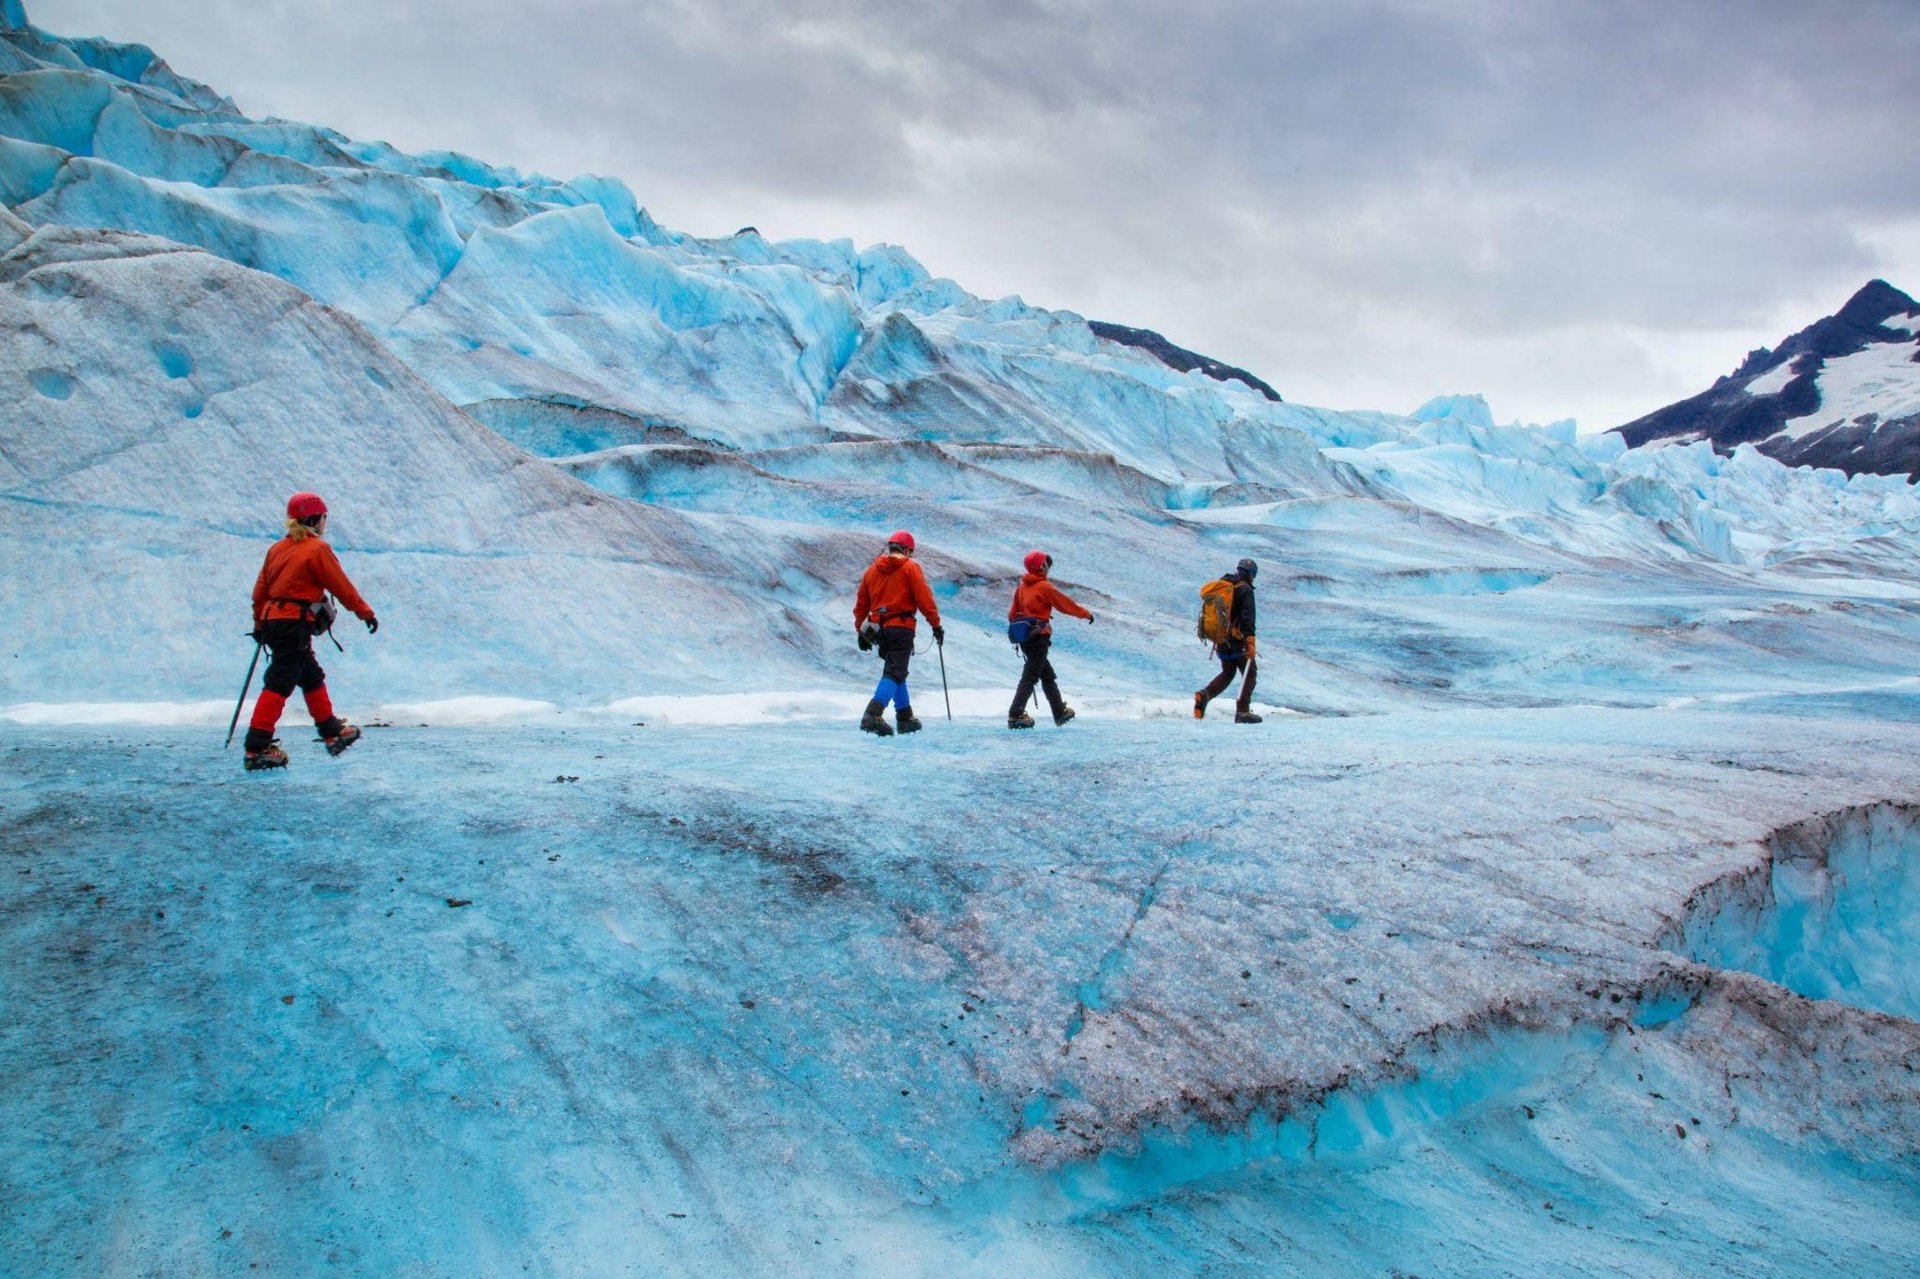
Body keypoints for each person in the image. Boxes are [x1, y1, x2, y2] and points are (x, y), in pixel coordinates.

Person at [241, 491, 379, 771]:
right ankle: (256, 749)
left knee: (310, 675)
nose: (325, 522)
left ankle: (332, 733)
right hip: (294, 623)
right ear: (315, 518)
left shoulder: (277, 549)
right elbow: (341, 586)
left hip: (274, 621)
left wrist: (259, 625)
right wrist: (365, 612)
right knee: (280, 680)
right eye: (324, 517)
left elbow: (260, 592)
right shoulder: (316, 550)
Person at [853, 530, 942, 736]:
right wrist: (936, 625)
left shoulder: (871, 571)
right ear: (906, 549)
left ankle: (904, 717)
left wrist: (860, 631)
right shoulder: (910, 568)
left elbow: (861, 605)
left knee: (896, 670)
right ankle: (873, 714)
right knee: (894, 671)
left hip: (879, 630)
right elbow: (924, 599)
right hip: (902, 627)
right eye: (910, 551)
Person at [1006, 549, 1093, 729]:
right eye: (1046, 563)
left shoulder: (1021, 588)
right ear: (1041, 566)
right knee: (1030, 677)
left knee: (1046, 675)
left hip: (1026, 639)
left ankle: (1059, 712)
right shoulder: (1044, 587)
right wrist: (1085, 614)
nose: (1048, 566)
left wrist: (1027, 626)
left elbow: (1011, 615)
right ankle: (1015, 715)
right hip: (1039, 639)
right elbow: (1065, 605)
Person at [1194, 558, 1262, 724]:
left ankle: (1205, 694)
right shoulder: (1245, 589)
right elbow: (1247, 618)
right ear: (1251, 574)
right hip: (1238, 640)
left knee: (1228, 672)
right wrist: (1250, 641)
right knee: (1250, 673)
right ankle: (1243, 711)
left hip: (1221, 639)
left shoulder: (1223, 585)